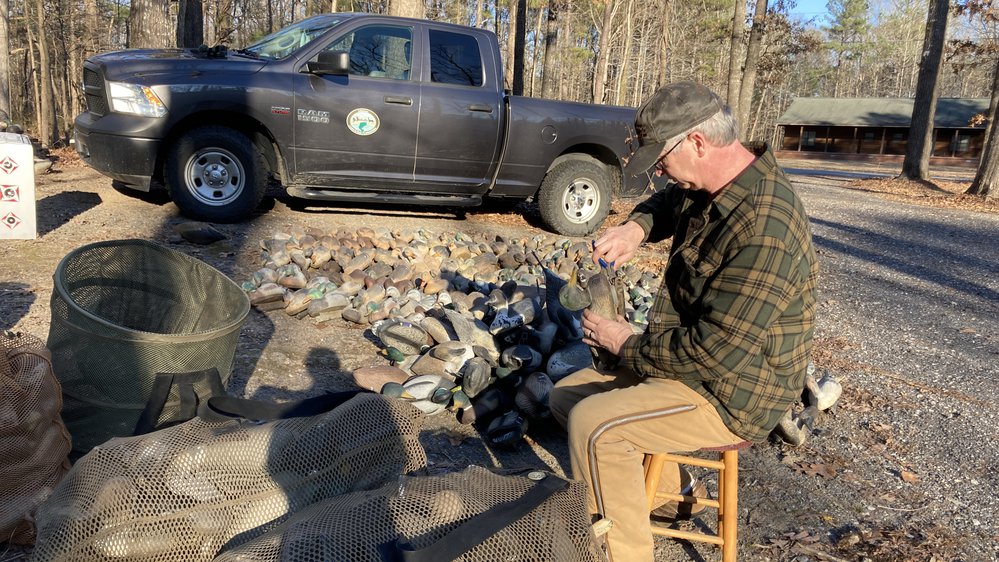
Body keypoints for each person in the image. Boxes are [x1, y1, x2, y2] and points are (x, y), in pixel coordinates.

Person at [549, 81, 819, 562]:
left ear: (696, 142)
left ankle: (623, 554)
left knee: (596, 425)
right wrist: (635, 228)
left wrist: (622, 341)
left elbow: (714, 352)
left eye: (661, 157)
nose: (657, 169)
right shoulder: (716, 183)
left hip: (735, 390)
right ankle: (676, 494)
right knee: (564, 397)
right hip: (698, 364)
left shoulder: (763, 224)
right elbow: (669, 203)